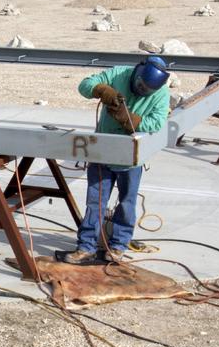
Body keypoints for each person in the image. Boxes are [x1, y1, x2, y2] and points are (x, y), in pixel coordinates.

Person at [56, 56, 170, 265]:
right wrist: (101, 90)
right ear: (137, 72)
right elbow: (84, 85)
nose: (141, 90)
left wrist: (129, 119)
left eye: (146, 89)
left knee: (126, 202)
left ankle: (118, 246)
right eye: (139, 85)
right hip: (103, 153)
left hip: (130, 158)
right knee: (95, 202)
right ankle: (86, 247)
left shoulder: (161, 94)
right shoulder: (119, 74)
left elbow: (157, 122)